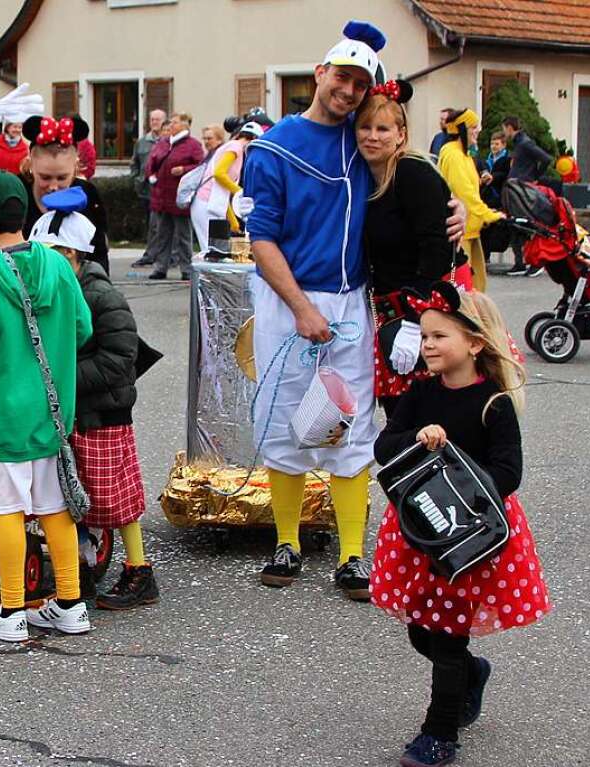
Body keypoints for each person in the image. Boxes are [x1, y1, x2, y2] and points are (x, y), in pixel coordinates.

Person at [242, 20, 467, 596]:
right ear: (321, 74)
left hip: (351, 301)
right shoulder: (272, 147)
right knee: (288, 422)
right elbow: (261, 238)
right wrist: (298, 307)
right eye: (341, 78)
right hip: (289, 303)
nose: (347, 92)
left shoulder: (360, 137)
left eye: (359, 85)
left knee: (352, 426)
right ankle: (287, 543)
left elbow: (407, 177)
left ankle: (349, 555)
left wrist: (454, 210)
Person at [370, 283, 550, 767]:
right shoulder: (420, 393)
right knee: (421, 633)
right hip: (421, 528)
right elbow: (385, 448)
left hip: (469, 536)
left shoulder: (493, 403)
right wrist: (416, 436)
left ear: (474, 344)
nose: (426, 345)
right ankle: (472, 673)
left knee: (447, 636)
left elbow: (509, 471)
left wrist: (461, 473)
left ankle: (440, 733)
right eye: (424, 336)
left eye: (438, 336)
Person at [0, 170, 93, 642]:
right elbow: (83, 328)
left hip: (1, 414)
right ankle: (70, 603)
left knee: (6, 509)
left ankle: (10, 610)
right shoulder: (55, 265)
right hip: (52, 415)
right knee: (55, 507)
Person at [29, 186, 160, 610]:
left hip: (104, 413)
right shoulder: (48, 293)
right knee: (71, 496)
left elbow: (119, 360)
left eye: (57, 254)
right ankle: (81, 571)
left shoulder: (103, 297)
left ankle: (139, 572)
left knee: (114, 498)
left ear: (77, 256)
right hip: (67, 412)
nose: (47, 263)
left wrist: (59, 380)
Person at [356, 82, 463, 425]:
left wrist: (421, 322)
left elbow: (437, 248)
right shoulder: (363, 177)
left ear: (401, 134)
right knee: (401, 424)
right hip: (391, 313)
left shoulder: (413, 173)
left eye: (383, 129)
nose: (373, 136)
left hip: (426, 310)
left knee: (432, 422)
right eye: (365, 127)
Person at [20, 115, 110, 274]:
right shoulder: (17, 195)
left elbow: (99, 254)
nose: (53, 187)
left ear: (75, 167)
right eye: (45, 177)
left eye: (62, 178)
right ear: (31, 165)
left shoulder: (88, 195)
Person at [438, 109, 503, 293]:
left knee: (477, 288)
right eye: (473, 127)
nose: (478, 131)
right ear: (462, 129)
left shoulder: (465, 155)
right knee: (465, 292)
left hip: (472, 231)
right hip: (461, 234)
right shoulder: (453, 155)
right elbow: (465, 194)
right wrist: (489, 215)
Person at [146, 111, 204, 280]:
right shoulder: (163, 143)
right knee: (162, 234)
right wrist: (151, 175)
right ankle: (160, 267)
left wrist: (183, 170)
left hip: (180, 197)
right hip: (162, 196)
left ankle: (186, 268)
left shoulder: (193, 145)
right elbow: (152, 161)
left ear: (185, 125)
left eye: (175, 122)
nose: (171, 125)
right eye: (170, 122)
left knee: (183, 235)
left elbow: (200, 166)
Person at [191, 121, 262, 253]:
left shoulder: (235, 148)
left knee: (216, 252)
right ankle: (202, 274)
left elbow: (223, 191)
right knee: (210, 252)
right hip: (205, 202)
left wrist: (233, 222)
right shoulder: (235, 148)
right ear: (253, 139)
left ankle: (206, 274)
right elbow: (219, 174)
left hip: (211, 204)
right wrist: (240, 191)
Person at [501, 116, 552, 276]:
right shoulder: (519, 143)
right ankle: (519, 263)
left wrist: (534, 176)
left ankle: (536, 261)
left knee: (528, 225)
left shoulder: (525, 143)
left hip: (523, 189)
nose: (504, 132)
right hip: (516, 188)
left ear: (510, 128)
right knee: (515, 225)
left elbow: (546, 158)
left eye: (504, 129)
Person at [130, 109, 167, 268]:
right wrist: (137, 180)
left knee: (161, 225)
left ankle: (163, 255)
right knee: (151, 225)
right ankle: (151, 253)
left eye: (158, 119)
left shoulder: (168, 141)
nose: (154, 122)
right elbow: (135, 163)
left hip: (163, 190)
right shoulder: (142, 142)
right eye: (152, 119)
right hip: (146, 190)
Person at [479, 131, 511, 263]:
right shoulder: (487, 160)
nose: (493, 147)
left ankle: (485, 256)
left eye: (497, 144)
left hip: (498, 197)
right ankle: (484, 256)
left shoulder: (507, 160)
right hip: (486, 195)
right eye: (492, 144)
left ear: (503, 145)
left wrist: (493, 177)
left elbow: (505, 175)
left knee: (489, 225)